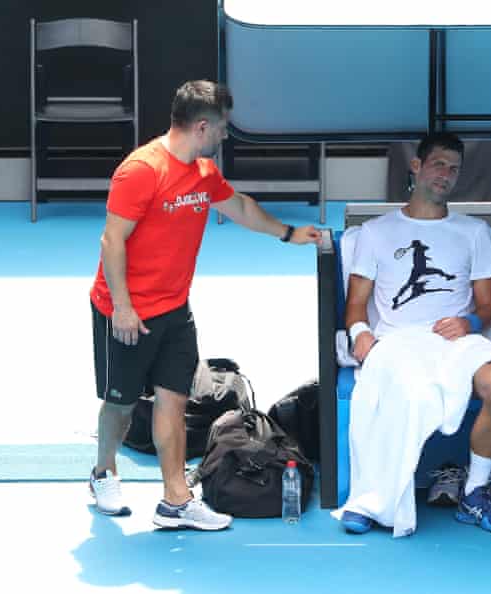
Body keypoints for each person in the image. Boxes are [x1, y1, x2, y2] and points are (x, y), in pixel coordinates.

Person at [88, 80, 321, 530]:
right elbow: (112, 241)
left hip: (175, 309)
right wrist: (122, 308)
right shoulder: (141, 170)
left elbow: (241, 208)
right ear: (201, 126)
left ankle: (175, 500)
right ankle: (103, 473)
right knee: (119, 404)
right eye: (222, 129)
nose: (225, 136)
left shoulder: (203, 173)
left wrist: (289, 233)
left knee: (173, 402)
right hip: (125, 311)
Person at [335, 132, 491, 537]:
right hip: (398, 341)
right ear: (416, 167)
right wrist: (359, 333)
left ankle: (476, 494)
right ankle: (371, 499)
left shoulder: (473, 231)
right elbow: (356, 304)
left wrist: (470, 323)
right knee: (395, 390)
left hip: (454, 342)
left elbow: (487, 308)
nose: (446, 175)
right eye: (439, 164)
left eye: (454, 169)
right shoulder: (375, 232)